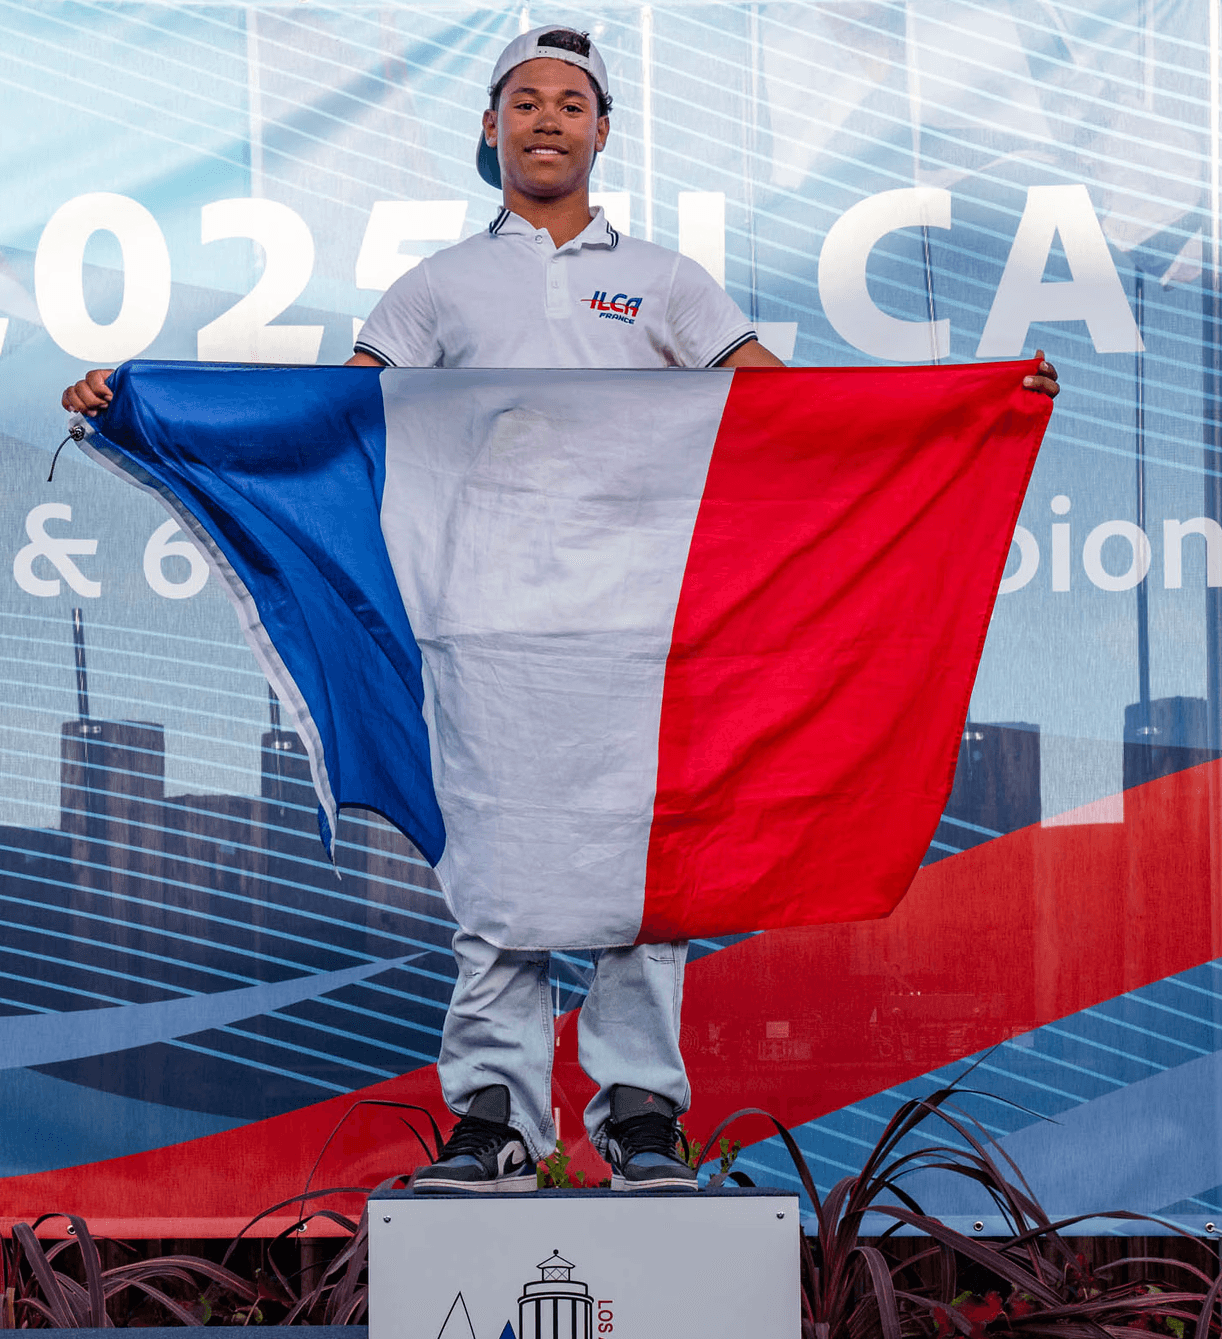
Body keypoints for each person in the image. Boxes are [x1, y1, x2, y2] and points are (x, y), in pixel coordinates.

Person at [61, 24, 1060, 1196]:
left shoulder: (667, 281)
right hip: (481, 621)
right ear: (490, 129)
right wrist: (148, 402)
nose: (547, 119)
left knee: (646, 871)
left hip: (637, 627)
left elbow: (784, 416)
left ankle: (641, 1118)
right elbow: (337, 416)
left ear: (603, 130)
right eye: (525, 101)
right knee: (494, 869)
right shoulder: (438, 285)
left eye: (570, 102)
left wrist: (966, 409)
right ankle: (496, 1119)